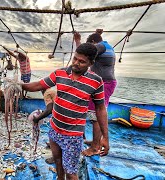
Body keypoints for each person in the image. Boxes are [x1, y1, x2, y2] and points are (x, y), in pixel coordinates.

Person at [22, 43, 109, 180]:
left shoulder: (96, 81)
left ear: (91, 63)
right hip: (55, 129)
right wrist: (18, 85)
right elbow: (39, 85)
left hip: (73, 135)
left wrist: (105, 137)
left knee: (71, 172)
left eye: (82, 62)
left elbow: (100, 109)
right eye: (75, 58)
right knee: (57, 161)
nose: (76, 63)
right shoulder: (60, 73)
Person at [74, 29, 117, 156]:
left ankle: (95, 147)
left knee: (96, 116)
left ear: (93, 42)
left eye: (91, 44)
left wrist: (77, 40)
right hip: (105, 83)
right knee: (95, 113)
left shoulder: (101, 46)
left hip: (104, 84)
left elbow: (83, 53)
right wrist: (98, 34)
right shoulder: (106, 46)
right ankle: (95, 141)